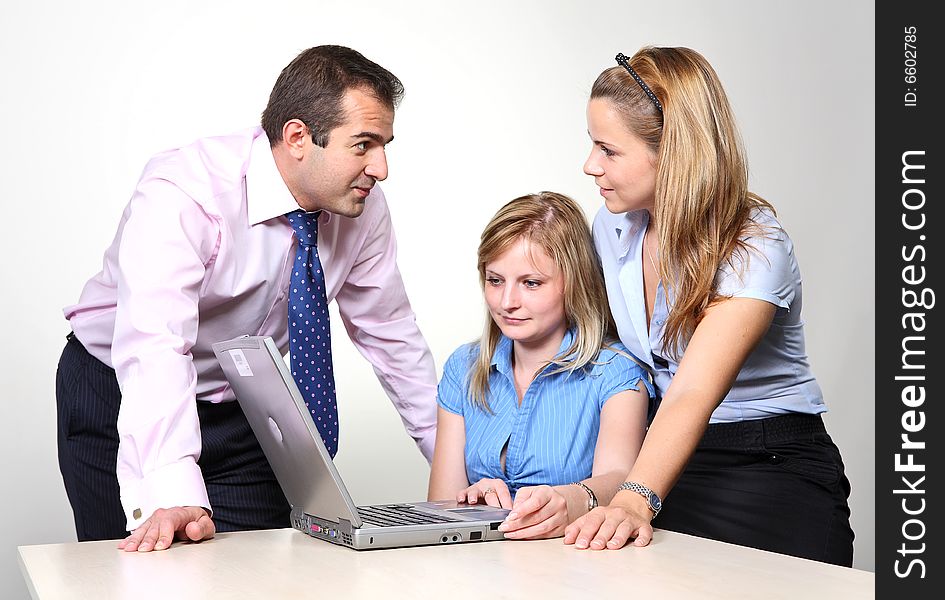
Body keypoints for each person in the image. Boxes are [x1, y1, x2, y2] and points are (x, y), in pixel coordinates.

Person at [57, 45, 437, 552]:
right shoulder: (185, 192)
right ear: (298, 137)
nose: (382, 168)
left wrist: (459, 467)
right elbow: (154, 344)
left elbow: (393, 339)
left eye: (385, 145)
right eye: (364, 145)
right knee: (138, 571)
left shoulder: (363, 211)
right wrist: (171, 490)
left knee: (265, 569)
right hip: (119, 390)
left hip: (242, 401)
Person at [564, 46, 855, 566]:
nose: (590, 165)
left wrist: (634, 499)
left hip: (768, 467)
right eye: (593, 145)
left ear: (674, 151)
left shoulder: (754, 245)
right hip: (665, 463)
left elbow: (693, 391)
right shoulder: (612, 226)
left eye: (608, 150)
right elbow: (608, 359)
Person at [427, 192, 652, 540]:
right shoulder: (464, 367)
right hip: (479, 566)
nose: (507, 302)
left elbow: (622, 478)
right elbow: (439, 511)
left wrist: (569, 498)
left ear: (573, 282)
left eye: (531, 283)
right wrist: (470, 503)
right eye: (495, 280)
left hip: (576, 563)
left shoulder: (615, 371)